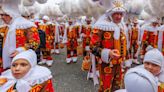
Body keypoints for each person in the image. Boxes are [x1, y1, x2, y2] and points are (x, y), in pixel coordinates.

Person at [90, 0, 129, 91]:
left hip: (119, 64)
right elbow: (93, 47)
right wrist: (108, 53)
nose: (119, 16)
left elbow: (124, 45)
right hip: (106, 64)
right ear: (110, 14)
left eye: (120, 14)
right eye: (116, 13)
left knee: (117, 86)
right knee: (106, 87)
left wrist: (126, 61)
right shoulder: (100, 26)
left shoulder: (122, 26)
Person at [0, 0, 40, 70]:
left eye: (6, 15)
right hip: (6, 62)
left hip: (22, 61)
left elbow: (35, 42)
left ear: (13, 13)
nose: (3, 17)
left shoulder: (26, 25)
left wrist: (22, 49)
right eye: (1, 15)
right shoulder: (6, 27)